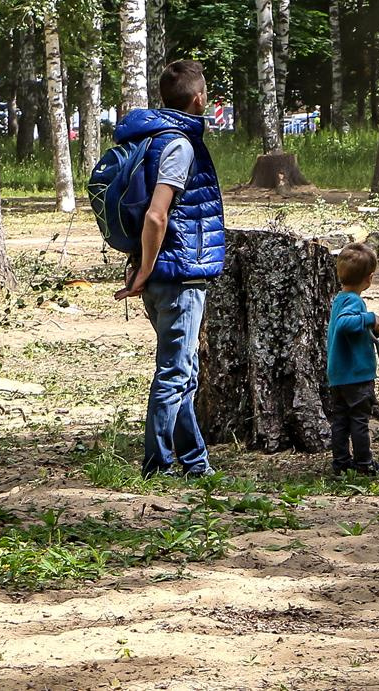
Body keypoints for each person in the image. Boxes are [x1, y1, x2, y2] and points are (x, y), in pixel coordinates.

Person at [112, 59, 225, 479]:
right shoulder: (178, 144)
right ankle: (157, 466)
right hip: (178, 274)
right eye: (207, 92)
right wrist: (144, 269)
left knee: (185, 374)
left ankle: (195, 463)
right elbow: (157, 215)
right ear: (198, 99)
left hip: (169, 273)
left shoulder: (155, 137)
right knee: (175, 375)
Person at [326, 243, 379, 476]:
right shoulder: (354, 302)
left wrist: (373, 329)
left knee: (341, 422)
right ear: (369, 278)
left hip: (339, 375)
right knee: (359, 422)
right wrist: (371, 318)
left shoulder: (339, 300)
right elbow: (346, 324)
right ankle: (364, 464)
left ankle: (341, 463)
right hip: (356, 375)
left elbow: (349, 327)